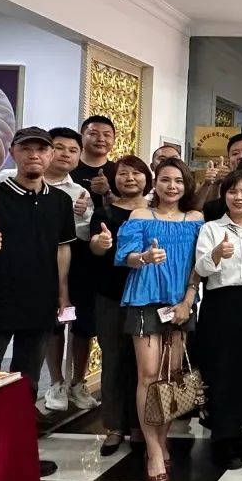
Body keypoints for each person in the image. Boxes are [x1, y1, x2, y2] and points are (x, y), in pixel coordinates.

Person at [0, 127, 76, 478]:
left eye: (42, 149)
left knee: (27, 382)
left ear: (50, 155)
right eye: (26, 149)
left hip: (39, 300)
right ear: (13, 152)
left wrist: (63, 293)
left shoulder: (60, 201)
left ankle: (19, 454)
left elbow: (63, 248)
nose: (34, 155)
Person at [116, 157, 203, 481]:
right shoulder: (140, 216)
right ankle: (152, 450)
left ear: (186, 185)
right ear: (156, 182)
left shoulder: (195, 219)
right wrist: (143, 258)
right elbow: (125, 257)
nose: (172, 186)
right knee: (148, 375)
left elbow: (199, 264)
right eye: (165, 179)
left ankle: (162, 440)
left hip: (180, 304)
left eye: (178, 181)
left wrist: (188, 300)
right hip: (144, 300)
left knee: (170, 376)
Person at [195, 169, 242, 470]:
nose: (239, 197)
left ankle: (240, 430)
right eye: (232, 191)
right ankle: (223, 437)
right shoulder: (211, 228)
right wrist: (215, 254)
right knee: (221, 370)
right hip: (220, 304)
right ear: (224, 195)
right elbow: (201, 269)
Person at [88, 155, 151, 455]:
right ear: (114, 180)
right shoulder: (104, 213)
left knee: (143, 365)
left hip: (146, 296)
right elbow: (95, 249)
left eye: (136, 173)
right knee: (113, 360)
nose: (130, 178)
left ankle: (140, 425)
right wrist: (99, 245)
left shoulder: (155, 212)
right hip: (111, 296)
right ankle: (114, 427)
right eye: (123, 174)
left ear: (147, 179)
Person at [41, 127, 100, 413]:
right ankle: (56, 382)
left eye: (72, 150)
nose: (66, 154)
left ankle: (78, 383)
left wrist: (82, 214)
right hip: (41, 265)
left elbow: (86, 233)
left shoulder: (80, 192)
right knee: (52, 323)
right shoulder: (11, 180)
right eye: (60, 148)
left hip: (78, 264)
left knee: (82, 325)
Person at [195, 133, 242, 210]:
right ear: (229, 159)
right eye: (235, 153)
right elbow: (204, 210)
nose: (241, 156)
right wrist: (213, 184)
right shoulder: (222, 180)